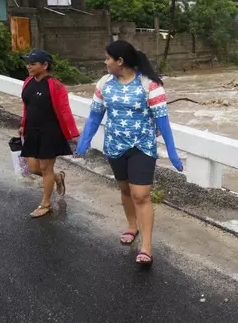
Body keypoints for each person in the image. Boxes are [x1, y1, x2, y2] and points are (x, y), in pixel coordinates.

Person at [75, 40, 183, 267]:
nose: (105, 63)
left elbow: (163, 122)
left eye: (107, 58)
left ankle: (146, 247)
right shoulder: (105, 83)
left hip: (142, 147)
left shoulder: (149, 85)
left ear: (120, 61)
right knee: (125, 189)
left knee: (141, 195)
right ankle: (131, 226)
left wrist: (172, 152)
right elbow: (95, 115)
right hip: (114, 146)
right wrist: (83, 141)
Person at [19, 50, 80, 218]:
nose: (28, 66)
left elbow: (65, 110)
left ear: (44, 65)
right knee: (33, 168)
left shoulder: (55, 85)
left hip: (50, 132)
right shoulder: (28, 82)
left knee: (46, 168)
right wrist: (23, 125)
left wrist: (73, 133)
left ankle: (46, 204)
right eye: (28, 63)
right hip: (31, 130)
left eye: (33, 64)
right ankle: (58, 177)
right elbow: (27, 106)